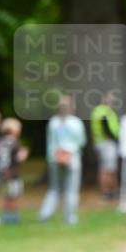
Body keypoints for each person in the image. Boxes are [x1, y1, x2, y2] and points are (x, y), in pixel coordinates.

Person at [39, 95, 87, 226]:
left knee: (54, 189)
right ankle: (70, 218)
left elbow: (50, 142)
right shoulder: (76, 122)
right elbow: (81, 141)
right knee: (71, 189)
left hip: (54, 158)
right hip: (72, 158)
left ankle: (44, 215)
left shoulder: (53, 122)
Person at [0, 117, 30, 224]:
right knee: (14, 195)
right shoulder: (13, 142)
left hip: (5, 173)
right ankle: (13, 217)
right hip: (13, 174)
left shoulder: (1, 141)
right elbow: (16, 158)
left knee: (8, 196)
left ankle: (6, 215)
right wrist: (24, 154)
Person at [91, 93, 120, 200]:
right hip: (107, 143)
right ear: (103, 98)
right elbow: (106, 127)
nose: (112, 100)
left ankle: (109, 192)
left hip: (102, 143)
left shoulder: (99, 111)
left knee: (107, 168)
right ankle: (108, 192)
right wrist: (115, 138)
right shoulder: (104, 111)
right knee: (108, 169)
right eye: (109, 97)